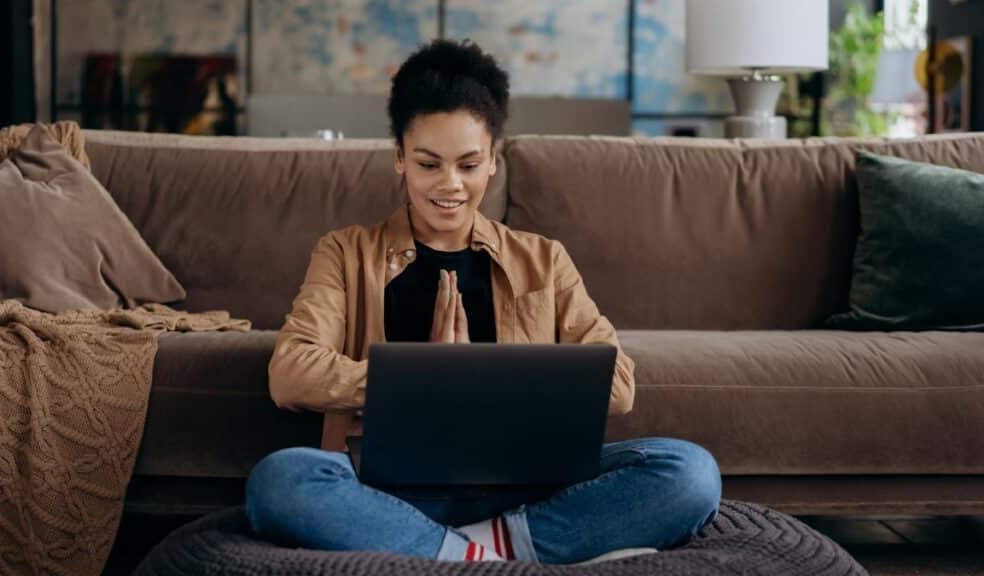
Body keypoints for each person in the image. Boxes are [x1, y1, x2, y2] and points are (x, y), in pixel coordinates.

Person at [245, 38, 721, 565]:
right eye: (429, 164)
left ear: (493, 161)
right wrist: (421, 378)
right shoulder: (344, 252)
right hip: (385, 491)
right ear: (400, 159)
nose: (450, 185)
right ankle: (496, 553)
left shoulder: (544, 260)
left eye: (468, 165)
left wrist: (486, 379)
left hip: (523, 491)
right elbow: (289, 372)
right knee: (280, 480)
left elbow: (619, 386)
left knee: (691, 473)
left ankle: (455, 554)